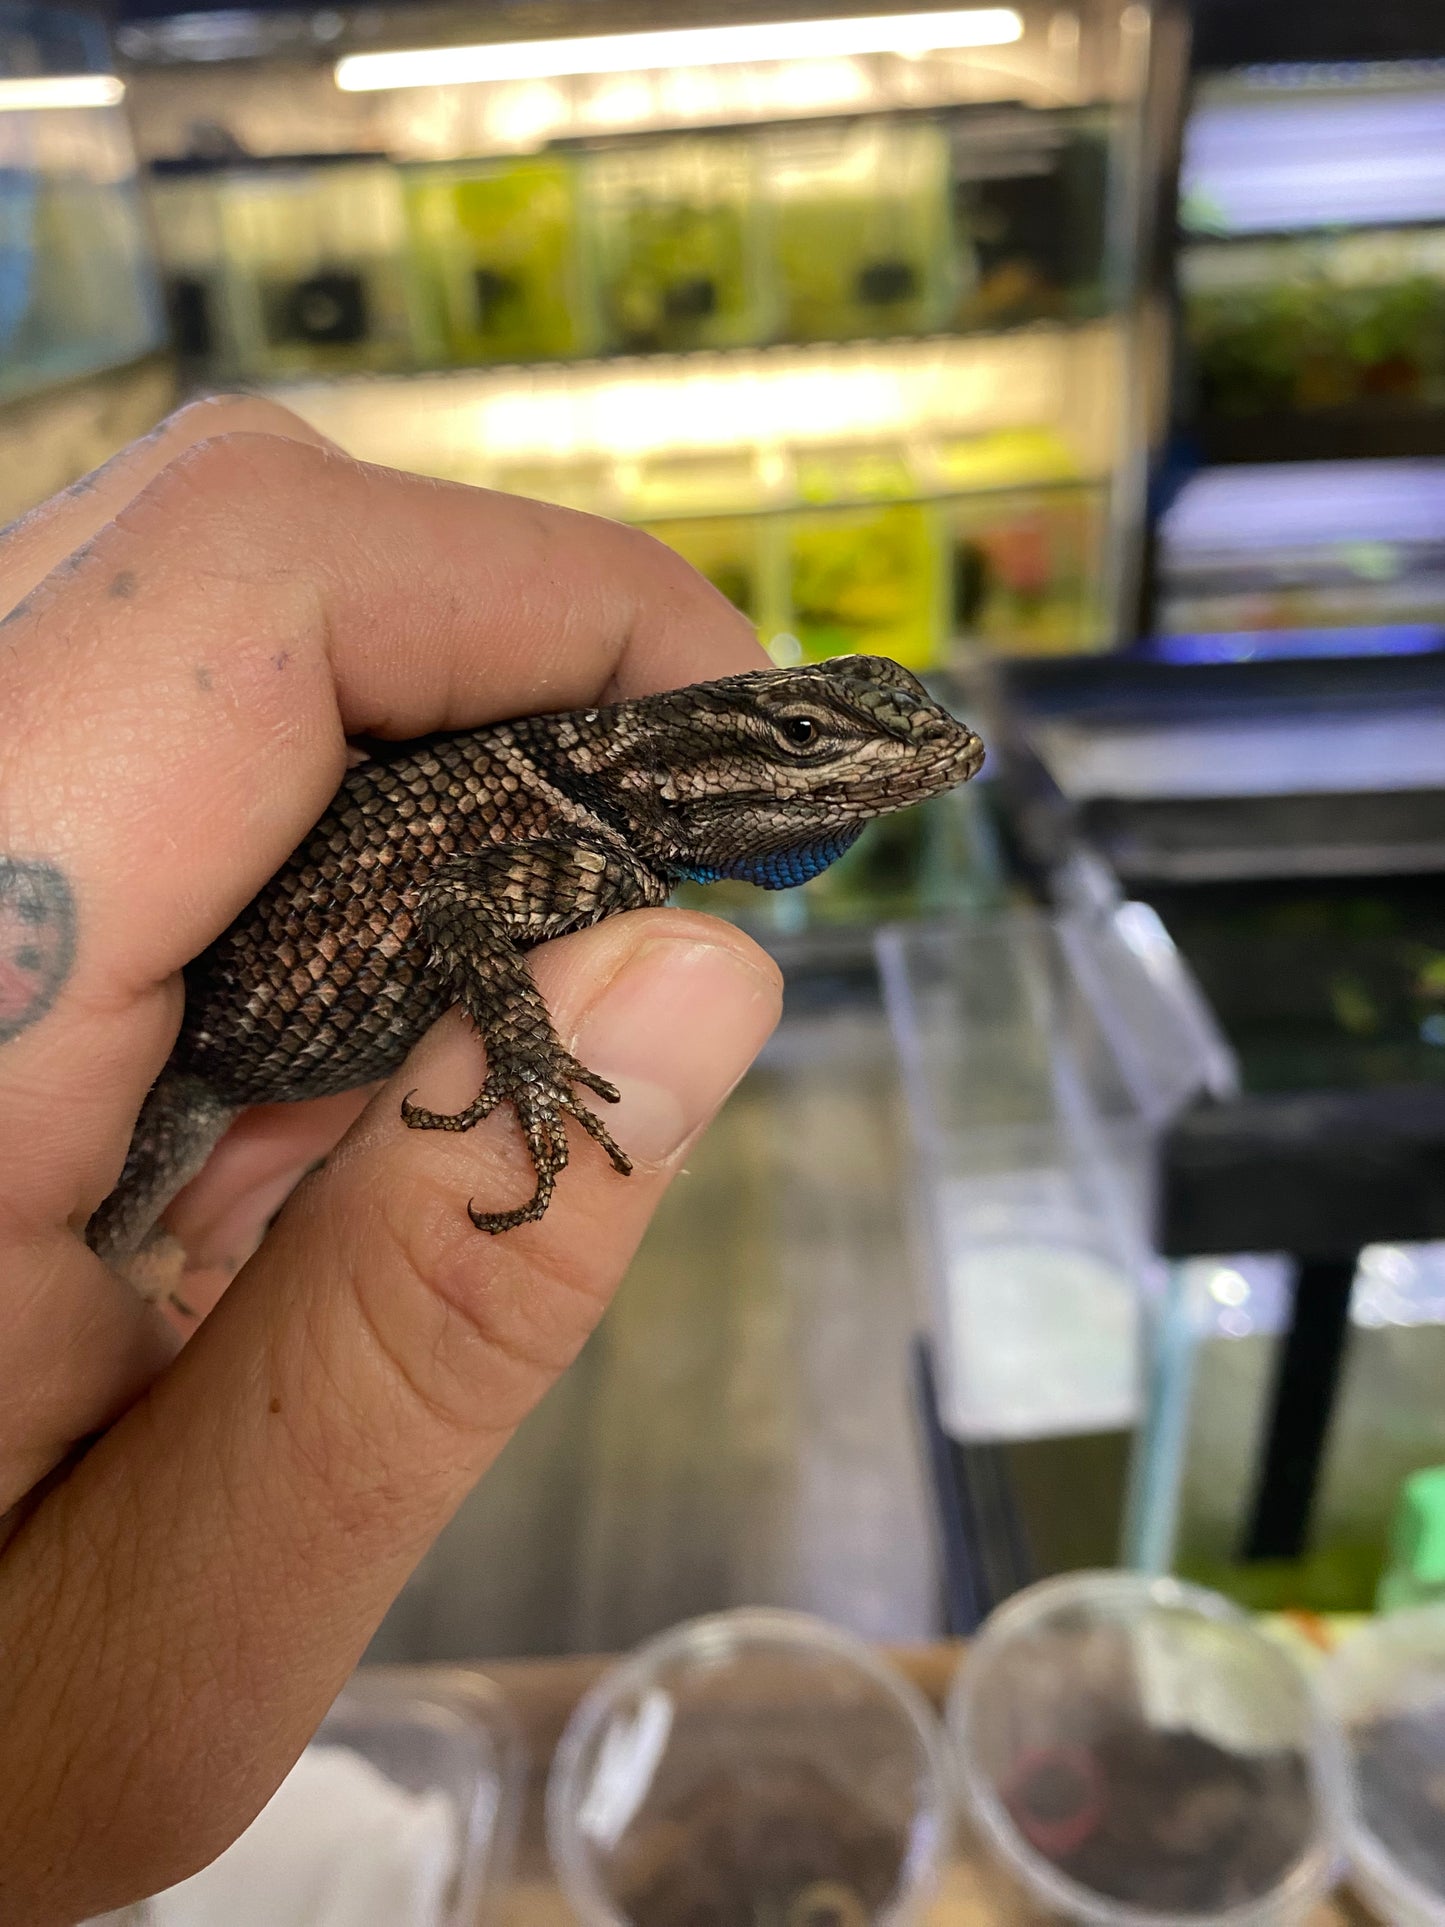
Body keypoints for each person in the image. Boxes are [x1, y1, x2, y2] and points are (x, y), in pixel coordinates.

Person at [0, 396, 783, 1925]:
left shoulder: (605, 836)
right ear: (687, 758)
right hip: (199, 1070)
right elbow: (472, 924)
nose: (838, 767)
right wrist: (541, 1063)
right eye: (805, 739)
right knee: (115, 1287)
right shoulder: (585, 822)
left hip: (217, 1083)